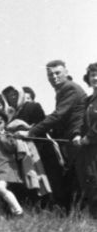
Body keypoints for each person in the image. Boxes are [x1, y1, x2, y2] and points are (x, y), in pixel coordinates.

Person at [16, 60, 86, 211]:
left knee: (81, 179)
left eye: (57, 73)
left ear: (66, 72)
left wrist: (31, 132)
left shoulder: (69, 88)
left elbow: (58, 115)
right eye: (50, 75)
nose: (54, 77)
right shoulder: (62, 90)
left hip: (76, 137)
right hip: (69, 139)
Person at [0, 110, 24, 216]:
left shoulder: (7, 135)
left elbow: (12, 148)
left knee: (0, 188)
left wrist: (2, 138)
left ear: (4, 123)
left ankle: (19, 211)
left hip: (7, 167)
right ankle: (9, 214)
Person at [74, 62, 97, 218]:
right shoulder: (88, 101)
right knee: (91, 182)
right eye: (93, 75)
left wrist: (89, 137)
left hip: (93, 144)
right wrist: (76, 134)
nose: (96, 78)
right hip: (89, 150)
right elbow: (79, 121)